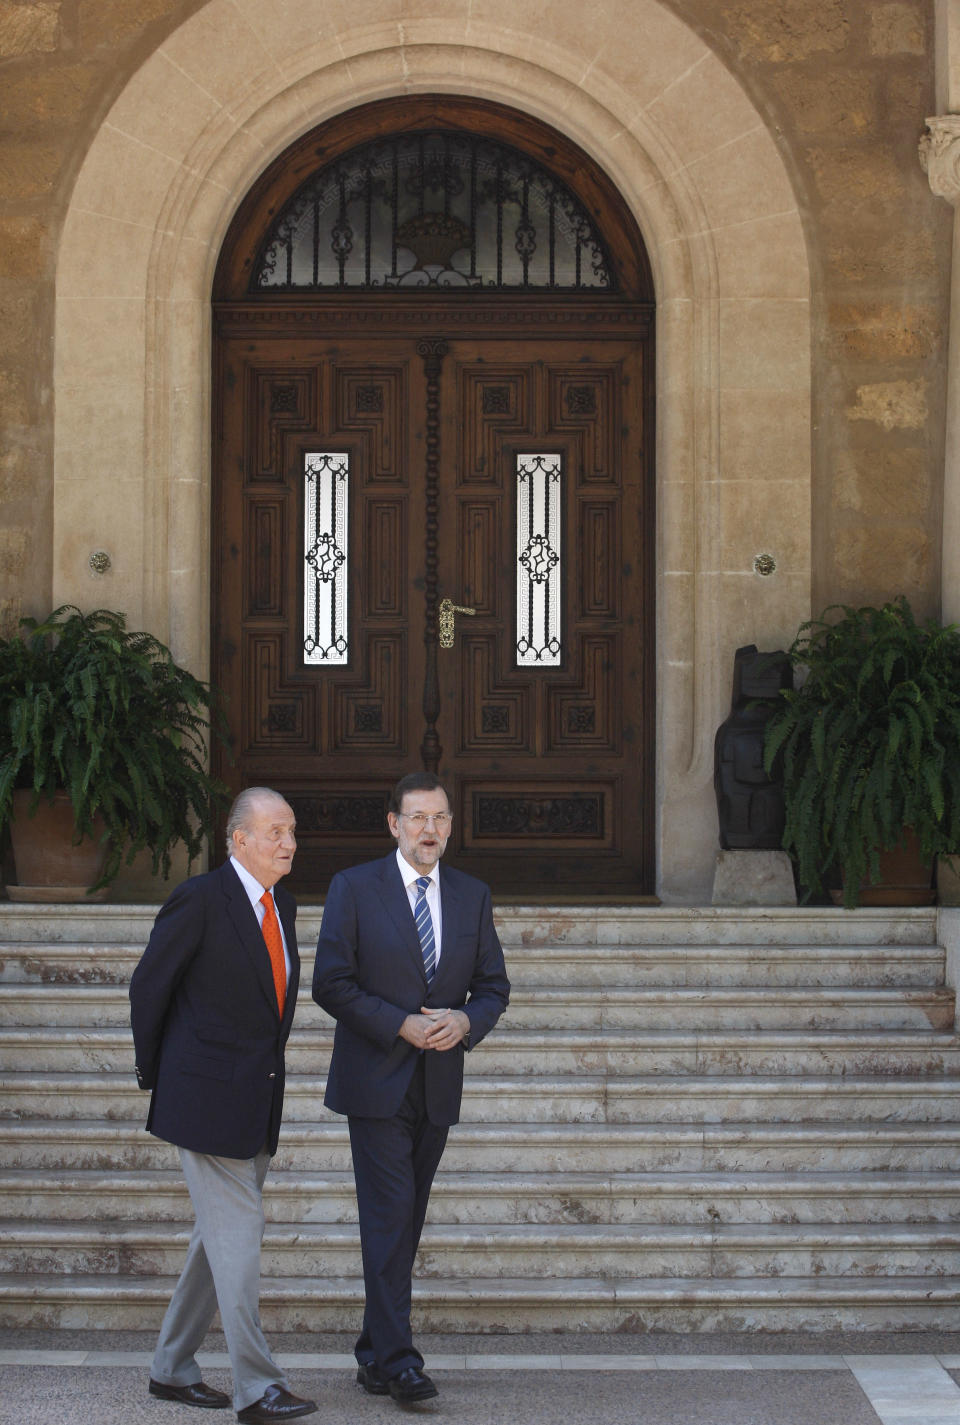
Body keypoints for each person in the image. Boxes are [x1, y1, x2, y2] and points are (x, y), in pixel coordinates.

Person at [312, 771, 510, 1405]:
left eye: (442, 819)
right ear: (393, 825)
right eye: (419, 818)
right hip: (375, 1082)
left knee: (404, 1220)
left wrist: (465, 1021)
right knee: (391, 1217)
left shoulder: (472, 895)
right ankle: (400, 1363)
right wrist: (397, 1022)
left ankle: (372, 1354)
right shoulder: (354, 888)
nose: (431, 830)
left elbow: (493, 986)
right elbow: (331, 983)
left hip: (438, 1083)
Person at [129, 788, 317, 1423]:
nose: (289, 843)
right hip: (205, 1101)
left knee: (217, 1242)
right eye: (276, 832)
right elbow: (149, 986)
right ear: (239, 839)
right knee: (239, 1239)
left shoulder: (281, 904)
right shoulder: (201, 899)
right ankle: (257, 1386)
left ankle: (171, 1368)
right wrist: (163, 1076)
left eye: (291, 832)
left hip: (255, 1100)